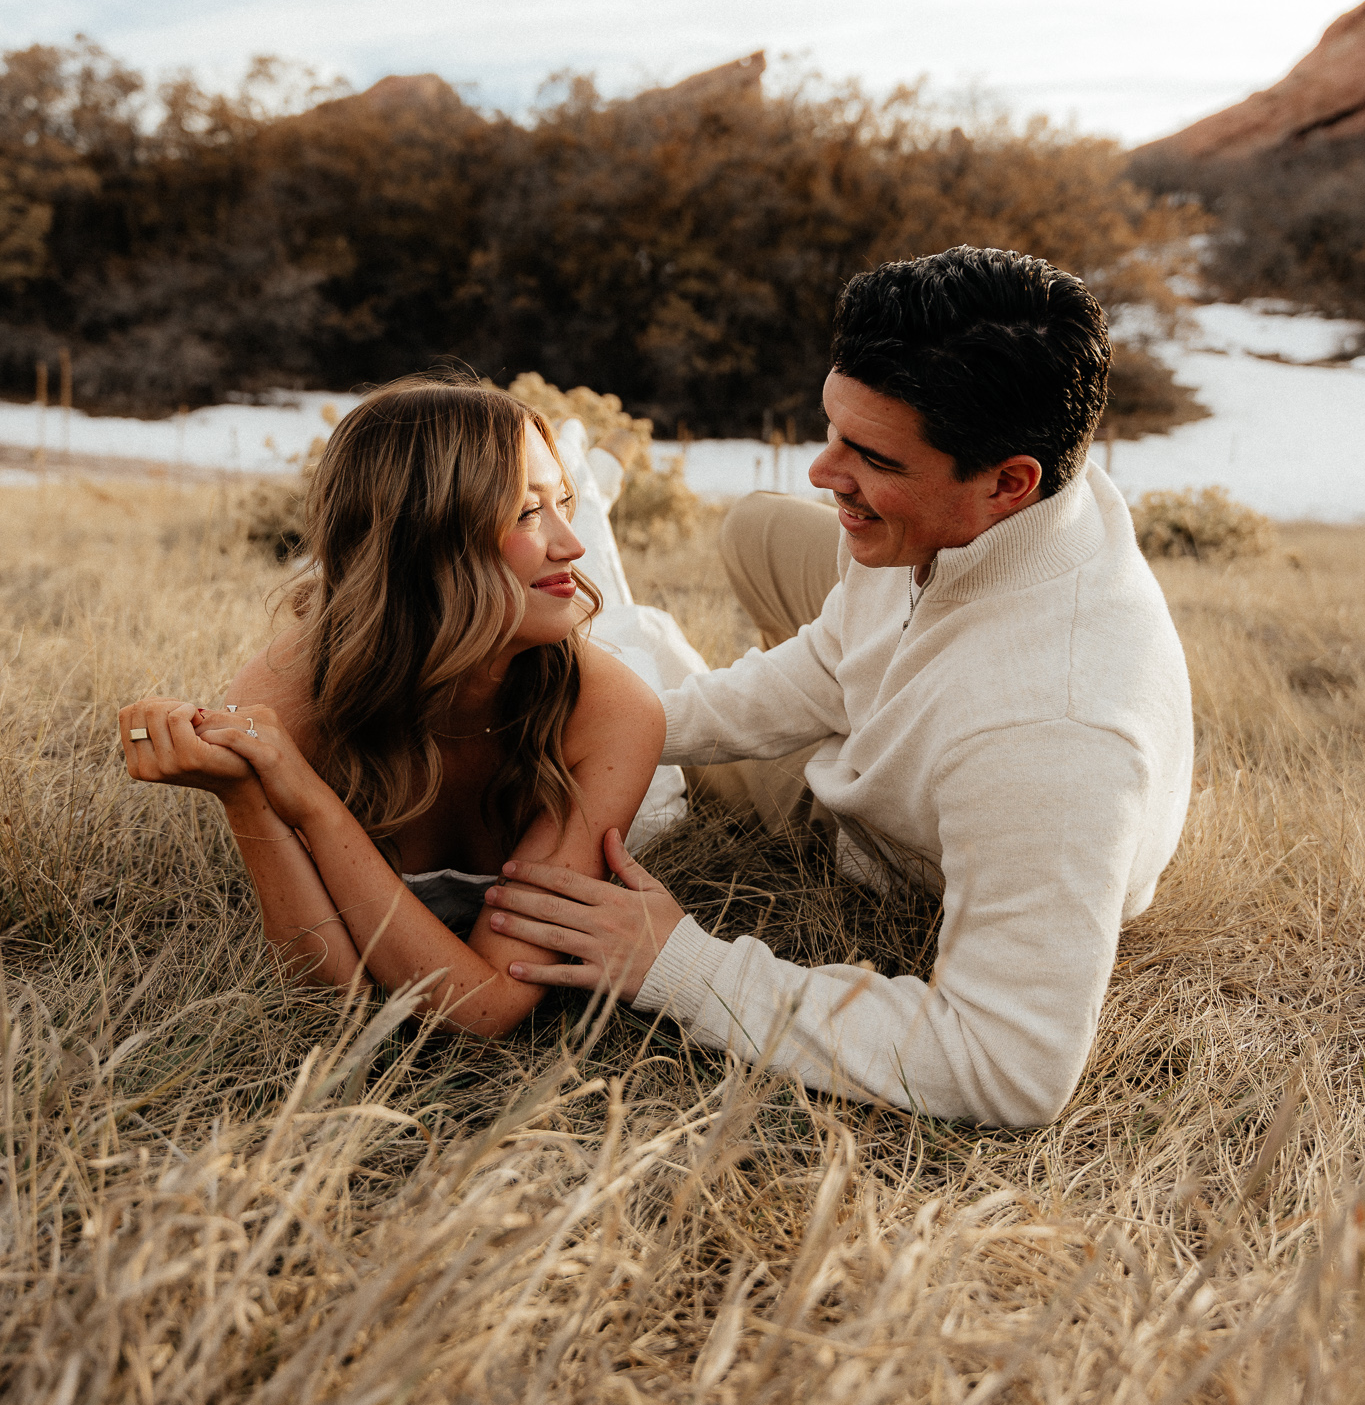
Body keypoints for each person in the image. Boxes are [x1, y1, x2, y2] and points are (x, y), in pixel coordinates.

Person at [478, 248, 1195, 1125]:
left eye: (873, 457)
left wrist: (678, 964)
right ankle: (631, 674)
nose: (821, 472)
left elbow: (1006, 1068)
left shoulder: (1049, 733)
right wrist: (627, 725)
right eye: (832, 428)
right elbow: (829, 660)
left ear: (1009, 484)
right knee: (757, 528)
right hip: (942, 680)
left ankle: (639, 660)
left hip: (948, 820)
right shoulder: (988, 495)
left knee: (842, 718)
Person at [118, 378, 665, 1037]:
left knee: (637, 622)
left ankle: (591, 482)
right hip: (520, 609)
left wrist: (310, 802)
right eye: (525, 511)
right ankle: (584, 478)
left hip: (612, 692)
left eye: (559, 506)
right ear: (424, 541)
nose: (565, 541)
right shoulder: (286, 697)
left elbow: (486, 1008)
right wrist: (248, 796)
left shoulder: (616, 710)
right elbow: (331, 997)